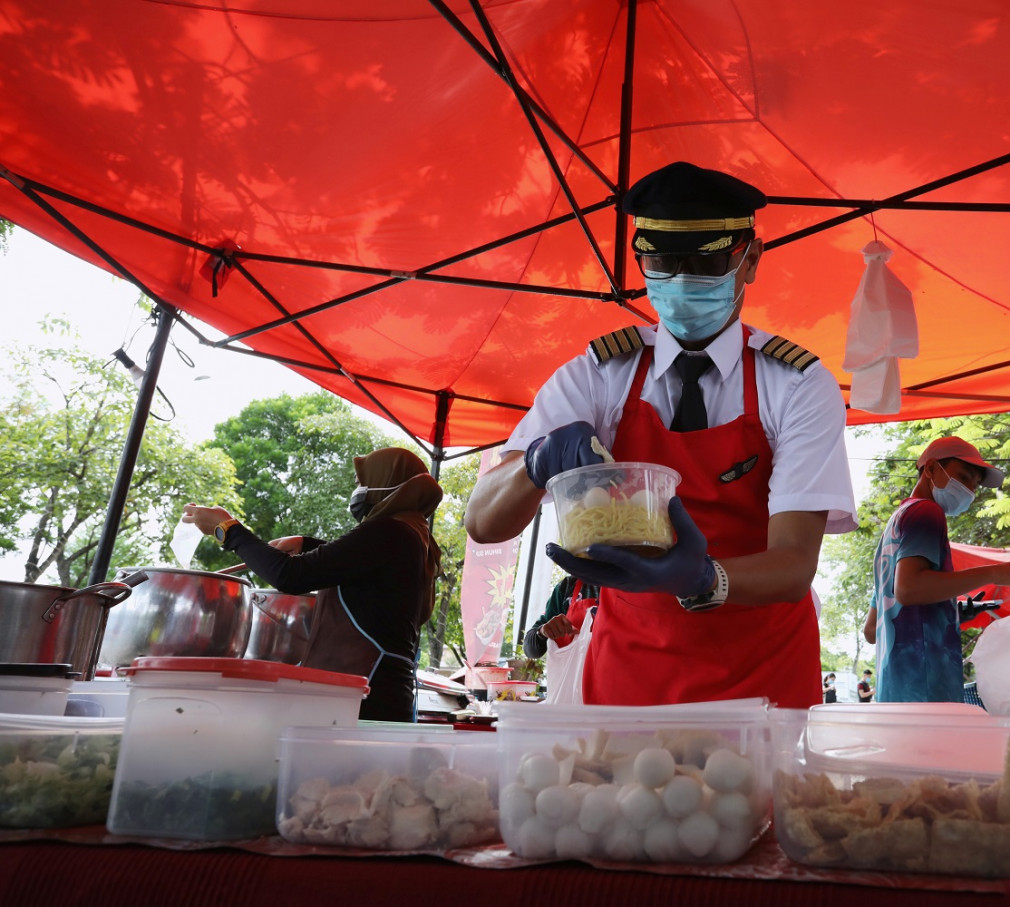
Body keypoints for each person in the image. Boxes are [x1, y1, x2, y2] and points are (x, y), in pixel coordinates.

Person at [465, 161, 857, 708]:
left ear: (750, 260)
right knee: (618, 794)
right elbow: (483, 521)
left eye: (707, 261)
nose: (681, 280)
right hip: (631, 662)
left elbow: (793, 565)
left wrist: (703, 578)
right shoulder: (598, 375)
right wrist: (535, 463)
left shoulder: (794, 384)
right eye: (662, 260)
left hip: (761, 675)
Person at [182, 447, 443, 722]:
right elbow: (361, 565)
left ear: (386, 481)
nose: (357, 492)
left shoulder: (389, 531)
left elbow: (291, 576)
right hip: (377, 694)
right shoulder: (412, 534)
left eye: (361, 484)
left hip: (364, 696)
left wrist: (227, 530)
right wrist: (306, 544)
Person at [863, 436, 1010, 703]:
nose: (969, 491)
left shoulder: (893, 530)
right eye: (963, 477)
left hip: (895, 692)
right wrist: (994, 573)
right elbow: (910, 589)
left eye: (974, 486)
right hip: (926, 690)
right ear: (930, 469)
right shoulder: (926, 512)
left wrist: (951, 612)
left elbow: (873, 630)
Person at [522, 575, 599, 660]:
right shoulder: (568, 586)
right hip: (572, 670)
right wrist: (542, 632)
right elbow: (531, 650)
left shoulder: (615, 589)